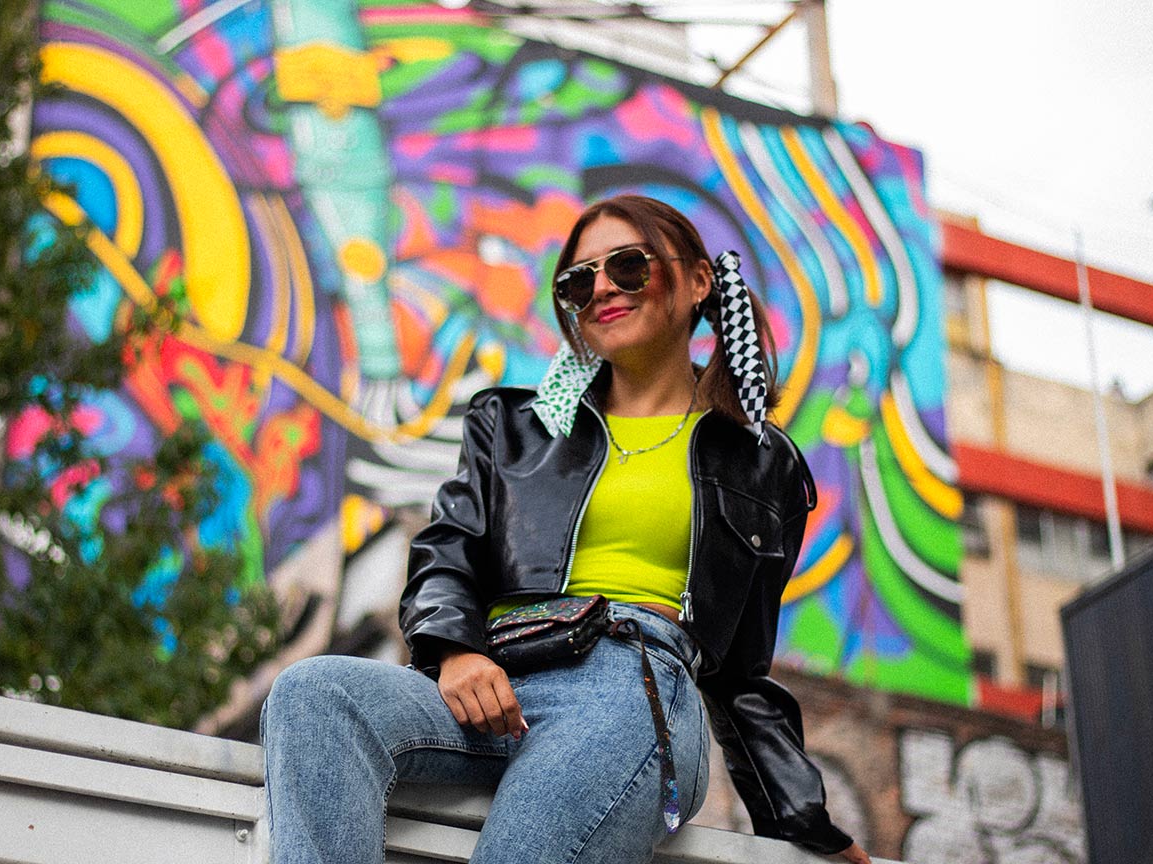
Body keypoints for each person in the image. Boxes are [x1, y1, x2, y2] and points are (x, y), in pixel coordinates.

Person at [262, 195, 871, 864]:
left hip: (635, 689)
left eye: (629, 267)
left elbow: (744, 672)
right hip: (500, 678)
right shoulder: (515, 428)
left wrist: (804, 822)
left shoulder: (761, 460)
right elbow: (449, 549)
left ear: (699, 281)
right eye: (580, 281)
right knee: (317, 695)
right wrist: (454, 650)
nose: (602, 287)